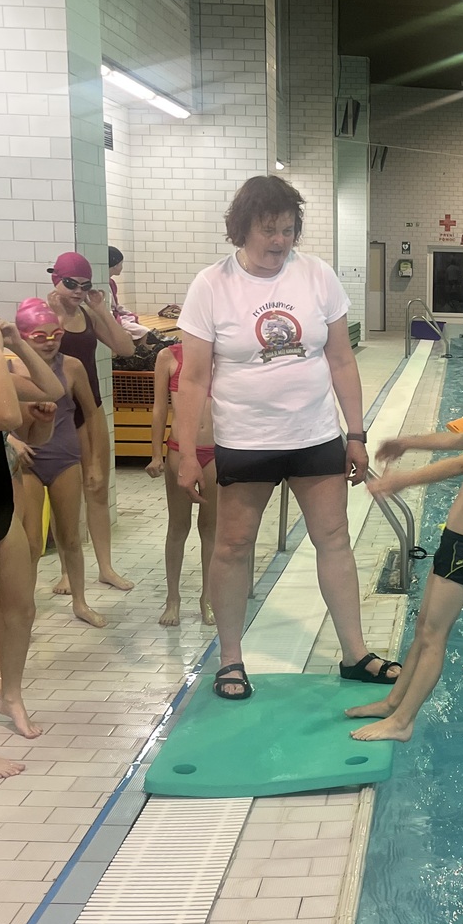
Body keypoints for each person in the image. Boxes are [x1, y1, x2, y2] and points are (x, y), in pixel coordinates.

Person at [174, 174, 401, 700]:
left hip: (314, 434)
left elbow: (341, 360)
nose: (279, 241)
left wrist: (356, 433)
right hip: (245, 439)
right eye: (268, 230)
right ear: (242, 229)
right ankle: (231, 659)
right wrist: (187, 453)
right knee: (233, 546)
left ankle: (355, 654)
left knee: (334, 539)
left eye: (288, 230)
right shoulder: (212, 285)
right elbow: (193, 378)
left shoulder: (317, 275)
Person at [346, 350, 463, 743]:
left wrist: (402, 480)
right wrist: (405, 442)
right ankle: (393, 703)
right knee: (423, 629)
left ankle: (403, 722)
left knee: (434, 637)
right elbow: (452, 440)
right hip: (455, 544)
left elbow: (460, 465)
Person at [0, 316, 67, 772]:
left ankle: (11, 695)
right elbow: (5, 417)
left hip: (1, 498)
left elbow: (52, 389)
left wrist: (17, 343)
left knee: (21, 607)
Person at [12, 300, 108, 627]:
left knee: (71, 538)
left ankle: (80, 602)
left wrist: (93, 463)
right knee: (31, 543)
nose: (50, 342)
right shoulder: (10, 369)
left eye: (56, 334)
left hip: (65, 458)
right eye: (40, 336)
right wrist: (12, 441)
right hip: (26, 462)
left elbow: (91, 413)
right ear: (23, 337)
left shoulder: (72, 367)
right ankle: (25, 609)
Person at [47, 251, 135, 592]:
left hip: (91, 409)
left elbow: (126, 348)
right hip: (57, 415)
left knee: (97, 490)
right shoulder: (40, 314)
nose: (78, 291)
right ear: (56, 279)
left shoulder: (87, 313)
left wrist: (101, 310)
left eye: (85, 286)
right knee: (64, 498)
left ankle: (106, 568)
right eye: (71, 284)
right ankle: (67, 571)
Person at [146, 342, 217, 627]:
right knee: (178, 526)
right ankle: (172, 598)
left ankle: (208, 597)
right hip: (179, 449)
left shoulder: (224, 353)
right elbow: (159, 408)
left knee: (211, 528)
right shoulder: (168, 357)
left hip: (217, 450)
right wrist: (155, 454)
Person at [108, 245, 149, 343]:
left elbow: (117, 306)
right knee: (145, 332)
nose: (122, 267)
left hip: (116, 316)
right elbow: (109, 310)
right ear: (115, 265)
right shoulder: (105, 285)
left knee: (136, 323)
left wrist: (129, 313)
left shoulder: (111, 282)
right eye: (121, 264)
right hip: (111, 320)